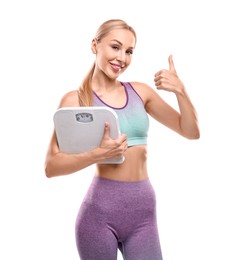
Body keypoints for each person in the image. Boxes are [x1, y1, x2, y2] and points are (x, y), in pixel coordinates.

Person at [45, 19, 200, 260]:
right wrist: (98, 154)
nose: (122, 58)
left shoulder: (140, 92)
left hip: (143, 214)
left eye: (129, 51)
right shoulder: (75, 101)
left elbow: (190, 131)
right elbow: (51, 166)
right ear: (95, 45)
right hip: (99, 216)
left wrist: (181, 91)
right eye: (115, 47)